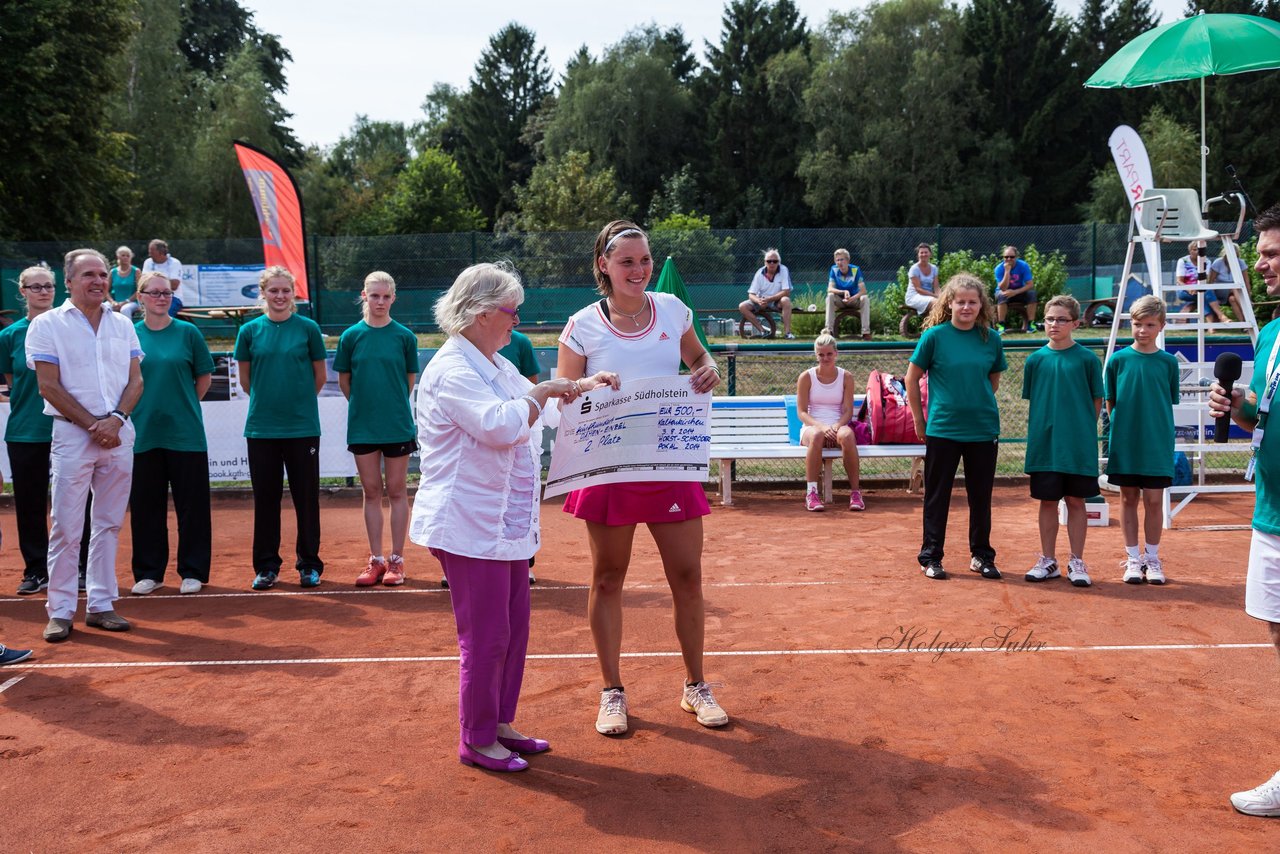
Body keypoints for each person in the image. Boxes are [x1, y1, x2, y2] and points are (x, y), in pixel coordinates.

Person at [409, 262, 613, 773]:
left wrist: (579, 386)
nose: (516, 319)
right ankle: (476, 738)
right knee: (486, 637)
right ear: (480, 314)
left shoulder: (493, 362)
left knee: (513, 630)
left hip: (503, 525)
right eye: (510, 310)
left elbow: (537, 408)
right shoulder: (453, 369)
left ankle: (498, 723)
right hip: (468, 523)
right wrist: (542, 393)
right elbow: (500, 425)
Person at [557, 220, 728, 736]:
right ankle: (612, 691)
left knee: (688, 577)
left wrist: (705, 367)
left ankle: (695, 685)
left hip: (668, 461)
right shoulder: (582, 324)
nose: (638, 270)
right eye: (626, 261)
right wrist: (588, 383)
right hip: (609, 467)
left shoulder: (672, 311)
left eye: (644, 260)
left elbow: (698, 356)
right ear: (603, 266)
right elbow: (565, 392)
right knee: (608, 578)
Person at [27, 248, 143, 642]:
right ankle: (59, 611)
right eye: (89, 274)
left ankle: (101, 605)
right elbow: (48, 385)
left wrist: (116, 421)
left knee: (108, 524)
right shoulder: (46, 324)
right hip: (73, 436)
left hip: (119, 433)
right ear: (69, 282)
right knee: (66, 526)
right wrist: (94, 425)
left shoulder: (123, 325)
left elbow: (136, 382)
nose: (98, 281)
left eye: (103, 274)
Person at [1210, 203, 1280, 817]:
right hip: (1271, 513)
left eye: (1273, 254)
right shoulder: (1273, 334)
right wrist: (1235, 407)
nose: (1261, 264)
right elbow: (1263, 416)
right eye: (1261, 254)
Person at [905, 273, 1007, 581]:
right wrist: (919, 419)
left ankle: (981, 556)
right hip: (943, 429)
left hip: (982, 429)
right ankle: (931, 557)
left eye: (972, 302)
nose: (966, 307)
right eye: (960, 301)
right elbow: (911, 378)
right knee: (938, 496)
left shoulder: (991, 338)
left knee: (981, 497)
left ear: (981, 305)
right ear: (949, 303)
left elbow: (993, 380)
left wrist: (973, 403)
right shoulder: (934, 336)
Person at [233, 266, 327, 591]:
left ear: (293, 293)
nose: (279, 296)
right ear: (263, 293)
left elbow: (319, 377)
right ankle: (267, 567)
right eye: (273, 290)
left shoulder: (308, 329)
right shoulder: (249, 332)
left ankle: (309, 565)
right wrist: (270, 402)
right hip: (261, 429)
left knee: (306, 498)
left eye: (285, 290)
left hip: (302, 428)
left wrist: (296, 403)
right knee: (266, 500)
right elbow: (246, 382)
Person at [0, 267, 92, 596]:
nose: (43, 291)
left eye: (49, 286)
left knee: (76, 503)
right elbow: (14, 383)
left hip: (72, 430)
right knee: (30, 504)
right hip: (26, 432)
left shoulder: (71, 327)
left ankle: (80, 567)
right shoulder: (9, 336)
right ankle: (36, 570)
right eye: (35, 286)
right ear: (22, 291)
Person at [127, 271, 214, 596]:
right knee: (146, 506)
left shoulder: (188, 333)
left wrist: (184, 404)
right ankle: (150, 572)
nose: (161, 298)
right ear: (140, 297)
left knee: (192, 506)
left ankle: (192, 571)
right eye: (154, 293)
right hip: (141, 433)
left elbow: (202, 377)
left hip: (185, 433)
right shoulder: (129, 334)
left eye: (166, 293)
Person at [334, 271, 418, 587]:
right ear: (364, 296)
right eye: (374, 296)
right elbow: (345, 382)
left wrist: (389, 405)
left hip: (397, 424)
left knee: (397, 490)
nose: (380, 302)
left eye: (385, 296)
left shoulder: (404, 337)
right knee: (371, 491)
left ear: (393, 298)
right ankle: (376, 560)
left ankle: (397, 560)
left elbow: (408, 381)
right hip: (363, 426)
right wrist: (365, 407)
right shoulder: (350, 337)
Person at [1021, 295, 1104, 587]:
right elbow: (1036, 400)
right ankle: (1048, 560)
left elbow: (1097, 399)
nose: (1054, 325)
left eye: (1061, 320)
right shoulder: (1035, 360)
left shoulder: (1086, 359)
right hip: (1045, 446)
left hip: (1078, 446)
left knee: (1076, 501)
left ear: (1076, 323)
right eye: (1049, 319)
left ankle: (1077, 561)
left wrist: (1081, 429)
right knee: (1047, 501)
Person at [1104, 294, 1179, 585]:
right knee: (1127, 497)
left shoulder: (1168, 362)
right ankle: (1133, 558)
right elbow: (1112, 402)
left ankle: (1153, 558)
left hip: (1157, 443)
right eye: (1137, 324)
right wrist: (1122, 431)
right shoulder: (1118, 360)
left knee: (1153, 499)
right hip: (1126, 444)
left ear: (1161, 325)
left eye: (1149, 324)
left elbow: (1167, 401)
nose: (1142, 330)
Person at [797, 328, 863, 512]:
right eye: (821, 355)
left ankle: (856, 493)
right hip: (812, 427)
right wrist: (822, 426)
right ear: (816, 355)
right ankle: (811, 493)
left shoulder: (846, 377)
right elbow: (802, 412)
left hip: (837, 425)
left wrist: (836, 426)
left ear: (836, 353)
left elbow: (848, 411)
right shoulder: (806, 377)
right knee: (818, 435)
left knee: (848, 436)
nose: (825, 358)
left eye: (829, 354)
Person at [739, 248, 794, 339]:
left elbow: (786, 291)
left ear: (778, 262)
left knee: (786, 300)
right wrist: (759, 301)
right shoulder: (759, 273)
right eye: (769, 261)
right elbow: (751, 294)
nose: (772, 263)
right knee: (742, 306)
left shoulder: (784, 270)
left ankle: (787, 333)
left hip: (777, 301)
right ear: (765, 262)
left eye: (775, 261)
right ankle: (763, 331)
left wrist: (769, 299)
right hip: (762, 300)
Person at [1176, 240, 1229, 323]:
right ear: (1190, 251)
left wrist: (1197, 289)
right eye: (1194, 249)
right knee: (1206, 293)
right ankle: (1221, 315)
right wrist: (1189, 289)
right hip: (1184, 290)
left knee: (1204, 295)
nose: (1197, 252)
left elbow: (1205, 279)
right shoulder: (1183, 261)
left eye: (1199, 250)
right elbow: (1179, 280)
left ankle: (1210, 325)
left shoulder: (1207, 261)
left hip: (1200, 289)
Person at [826, 248, 871, 340]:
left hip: (853, 300)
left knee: (865, 298)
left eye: (842, 259)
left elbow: (863, 291)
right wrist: (844, 292)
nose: (839, 262)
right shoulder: (833, 270)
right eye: (837, 260)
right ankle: (828, 331)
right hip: (840, 301)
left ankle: (866, 332)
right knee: (830, 296)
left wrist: (852, 298)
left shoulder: (855, 270)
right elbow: (830, 289)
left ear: (847, 260)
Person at [994, 246, 1037, 332]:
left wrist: (1015, 292)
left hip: (1018, 291)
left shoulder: (1023, 266)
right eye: (1006, 257)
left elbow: (1030, 284)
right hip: (1003, 292)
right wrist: (1007, 271)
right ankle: (1001, 325)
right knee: (1002, 296)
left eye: (1012, 257)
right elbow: (1003, 288)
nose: (1009, 259)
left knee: (1032, 294)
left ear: (1016, 257)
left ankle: (1031, 324)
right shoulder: (999, 268)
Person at [141, 239, 185, 318]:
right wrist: (164, 283)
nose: (149, 254)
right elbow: (144, 283)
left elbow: (174, 285)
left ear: (161, 253)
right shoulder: (148, 262)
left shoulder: (174, 263)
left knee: (162, 315)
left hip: (172, 297)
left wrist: (153, 283)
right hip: (151, 297)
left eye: (152, 252)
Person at [1208, 243, 1247, 320]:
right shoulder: (1218, 262)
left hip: (1234, 293)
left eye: (1235, 255)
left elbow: (1246, 282)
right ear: (1225, 254)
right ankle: (1246, 308)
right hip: (1220, 291)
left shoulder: (1241, 263)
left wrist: (1248, 296)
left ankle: (1244, 324)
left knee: (1232, 299)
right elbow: (1210, 282)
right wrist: (1213, 298)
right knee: (1235, 288)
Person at [906, 243, 937, 316]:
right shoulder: (914, 269)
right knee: (936, 303)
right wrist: (935, 296)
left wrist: (941, 296)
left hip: (929, 297)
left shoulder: (934, 268)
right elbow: (918, 289)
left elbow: (936, 287)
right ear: (918, 255)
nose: (924, 254)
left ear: (930, 254)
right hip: (914, 297)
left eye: (926, 252)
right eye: (921, 253)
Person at [108, 246, 139, 313]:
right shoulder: (112, 272)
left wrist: (125, 302)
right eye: (123, 255)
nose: (126, 257)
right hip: (115, 302)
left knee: (125, 309)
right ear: (118, 257)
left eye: (128, 256)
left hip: (132, 302)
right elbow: (105, 290)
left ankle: (128, 324)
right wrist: (112, 302)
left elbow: (140, 290)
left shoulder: (136, 271)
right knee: (105, 307)